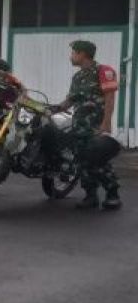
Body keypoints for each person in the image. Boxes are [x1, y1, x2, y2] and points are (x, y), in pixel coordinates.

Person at [58, 40, 122, 210]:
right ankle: (90, 195)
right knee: (82, 161)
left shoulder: (103, 71)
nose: (71, 56)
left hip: (95, 126)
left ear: (82, 54)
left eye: (73, 53)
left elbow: (109, 97)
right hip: (79, 127)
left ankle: (112, 193)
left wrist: (106, 123)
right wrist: (53, 109)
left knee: (98, 160)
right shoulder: (77, 77)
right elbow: (71, 100)